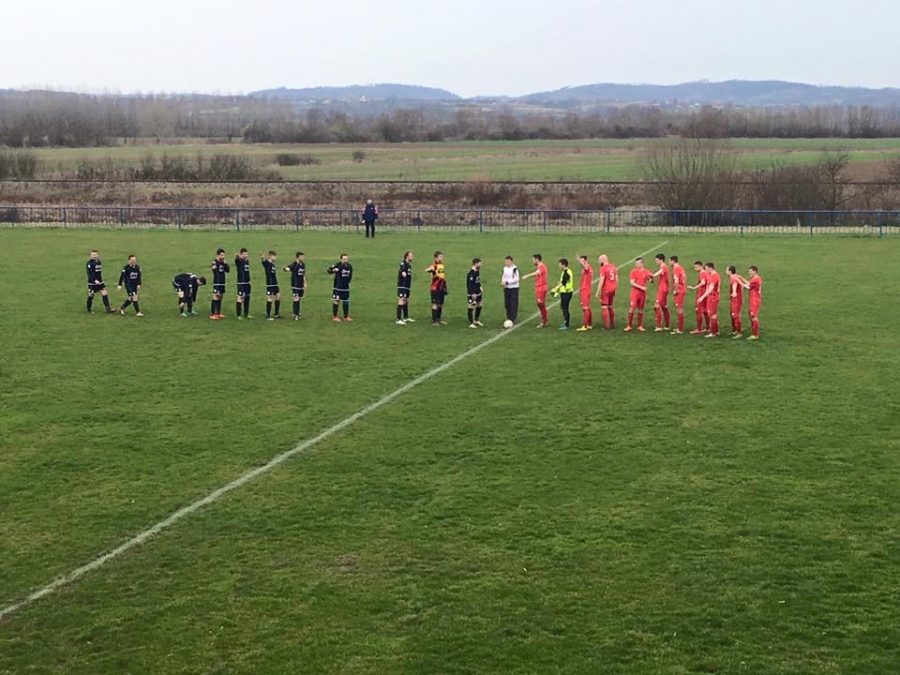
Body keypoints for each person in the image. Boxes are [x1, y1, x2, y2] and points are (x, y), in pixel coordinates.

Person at [624, 257, 652, 332]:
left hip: (642, 294)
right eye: (636, 264)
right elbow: (632, 282)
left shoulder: (646, 272)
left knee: (641, 309)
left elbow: (651, 281)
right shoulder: (633, 272)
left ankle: (639, 325)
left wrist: (651, 278)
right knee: (632, 308)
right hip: (635, 292)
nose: (636, 265)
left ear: (642, 264)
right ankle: (629, 325)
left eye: (638, 264)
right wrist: (641, 287)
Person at [521, 253, 549, 328]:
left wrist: (527, 276)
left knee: (540, 304)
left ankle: (544, 321)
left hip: (541, 288)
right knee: (540, 304)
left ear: (537, 259)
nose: (533, 261)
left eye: (533, 260)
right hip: (539, 288)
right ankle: (545, 320)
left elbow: (536, 273)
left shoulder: (542, 266)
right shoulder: (539, 266)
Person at [698, 262, 721, 338]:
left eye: (706, 269)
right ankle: (716, 331)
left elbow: (711, 288)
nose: (705, 271)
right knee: (713, 314)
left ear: (710, 268)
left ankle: (713, 332)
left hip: (712, 297)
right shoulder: (715, 275)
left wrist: (702, 297)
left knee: (712, 315)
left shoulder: (714, 276)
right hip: (713, 297)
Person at [328, 254, 354, 322]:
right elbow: (329, 270)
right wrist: (334, 270)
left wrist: (349, 282)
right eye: (344, 259)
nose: (345, 260)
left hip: (346, 287)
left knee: (346, 301)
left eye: (346, 259)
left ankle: (346, 316)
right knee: (336, 300)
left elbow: (350, 276)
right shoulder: (337, 265)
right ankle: (335, 316)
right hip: (338, 287)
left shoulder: (349, 266)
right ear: (341, 259)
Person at [594, 254, 617, 330]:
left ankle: (606, 326)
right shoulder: (613, 267)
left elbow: (601, 280)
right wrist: (615, 287)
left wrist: (597, 293)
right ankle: (612, 324)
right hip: (613, 289)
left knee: (604, 307)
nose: (599, 262)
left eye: (599, 260)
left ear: (603, 260)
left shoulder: (603, 268)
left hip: (606, 289)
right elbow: (616, 279)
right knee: (610, 306)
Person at [551, 258, 575, 330]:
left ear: (563, 265)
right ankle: (566, 322)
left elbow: (563, 283)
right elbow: (564, 281)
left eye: (560, 264)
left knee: (564, 308)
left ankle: (566, 324)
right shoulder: (566, 271)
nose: (559, 265)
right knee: (563, 307)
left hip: (566, 293)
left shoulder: (566, 272)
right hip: (565, 292)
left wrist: (555, 289)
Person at [740, 266, 763, 340]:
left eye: (750, 271)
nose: (749, 272)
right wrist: (742, 278)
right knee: (751, 315)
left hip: (755, 300)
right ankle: (753, 330)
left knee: (753, 316)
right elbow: (749, 283)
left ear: (755, 271)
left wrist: (739, 281)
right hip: (753, 299)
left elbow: (748, 286)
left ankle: (755, 334)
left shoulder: (756, 279)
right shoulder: (755, 278)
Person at [283, 251, 307, 321]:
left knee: (299, 299)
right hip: (295, 284)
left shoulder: (303, 264)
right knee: (296, 298)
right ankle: (295, 315)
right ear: (297, 257)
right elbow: (288, 268)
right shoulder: (294, 264)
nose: (303, 258)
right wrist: (285, 269)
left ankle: (297, 314)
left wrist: (305, 283)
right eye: (301, 257)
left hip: (300, 284)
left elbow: (303, 274)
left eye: (303, 257)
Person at [426, 251, 447, 326]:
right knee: (435, 304)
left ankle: (438, 319)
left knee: (440, 304)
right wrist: (429, 269)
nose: (442, 258)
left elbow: (442, 275)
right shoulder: (434, 264)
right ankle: (434, 321)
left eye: (442, 256)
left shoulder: (441, 264)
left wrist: (445, 286)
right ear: (436, 257)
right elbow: (430, 269)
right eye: (440, 257)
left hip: (441, 287)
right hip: (435, 288)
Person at [688, 260, 709, 335]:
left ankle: (698, 329)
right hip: (705, 293)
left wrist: (694, 287)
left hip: (701, 293)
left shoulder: (702, 273)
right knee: (705, 311)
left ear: (700, 266)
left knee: (698, 311)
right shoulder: (705, 272)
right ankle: (708, 328)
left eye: (696, 267)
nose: (695, 269)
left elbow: (703, 282)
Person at [650, 253, 671, 332]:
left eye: (656, 260)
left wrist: (652, 275)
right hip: (663, 288)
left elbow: (659, 273)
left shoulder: (664, 267)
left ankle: (658, 326)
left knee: (657, 306)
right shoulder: (662, 267)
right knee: (664, 307)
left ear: (661, 260)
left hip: (662, 289)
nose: (656, 262)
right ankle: (667, 326)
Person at [261, 250, 282, 321]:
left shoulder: (272, 264)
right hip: (270, 284)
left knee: (278, 297)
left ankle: (276, 314)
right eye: (274, 256)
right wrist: (263, 257)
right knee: (270, 298)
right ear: (270, 256)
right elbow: (263, 261)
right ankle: (268, 315)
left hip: (275, 284)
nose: (276, 258)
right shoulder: (267, 263)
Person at [209, 248, 230, 320]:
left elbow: (228, 270)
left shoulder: (223, 262)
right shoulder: (215, 262)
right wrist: (213, 267)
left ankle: (218, 313)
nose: (223, 256)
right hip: (217, 283)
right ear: (218, 255)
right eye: (222, 255)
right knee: (215, 297)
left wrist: (225, 263)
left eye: (224, 255)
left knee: (220, 297)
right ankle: (212, 314)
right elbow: (213, 267)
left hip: (222, 283)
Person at [669, 255, 686, 334]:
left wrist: (676, 290)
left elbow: (676, 281)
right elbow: (685, 277)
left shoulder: (676, 269)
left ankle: (680, 329)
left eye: (669, 261)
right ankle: (679, 327)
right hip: (682, 287)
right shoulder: (681, 267)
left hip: (679, 289)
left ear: (673, 261)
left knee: (679, 308)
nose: (669, 262)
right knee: (679, 308)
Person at [396, 250, 414, 325]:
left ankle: (406, 317)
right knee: (401, 300)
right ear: (407, 256)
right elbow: (402, 270)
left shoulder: (409, 265)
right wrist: (403, 273)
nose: (412, 257)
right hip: (402, 286)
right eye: (411, 256)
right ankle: (398, 319)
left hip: (407, 286)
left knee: (406, 301)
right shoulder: (403, 263)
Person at [234, 248, 253, 319]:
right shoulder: (239, 261)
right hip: (241, 282)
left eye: (246, 254)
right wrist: (237, 256)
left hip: (247, 283)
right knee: (240, 297)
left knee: (247, 297)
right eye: (244, 254)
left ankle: (246, 314)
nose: (245, 255)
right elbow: (236, 259)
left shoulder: (247, 261)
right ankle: (238, 315)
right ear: (241, 254)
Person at [501, 255, 520, 325]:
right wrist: (503, 281)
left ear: (511, 262)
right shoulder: (504, 268)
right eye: (506, 262)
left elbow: (516, 279)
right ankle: (508, 317)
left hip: (514, 288)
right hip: (506, 288)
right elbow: (504, 276)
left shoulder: (515, 269)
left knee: (513, 303)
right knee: (507, 304)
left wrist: (507, 282)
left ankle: (512, 318)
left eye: (508, 262)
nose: (507, 263)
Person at [576, 255, 593, 331]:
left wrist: (581, 262)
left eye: (582, 261)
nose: (580, 262)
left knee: (585, 307)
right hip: (584, 289)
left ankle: (585, 326)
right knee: (587, 307)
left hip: (585, 289)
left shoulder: (587, 267)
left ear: (585, 261)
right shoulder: (585, 268)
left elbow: (586, 268)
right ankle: (589, 324)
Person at [727, 265, 744, 338]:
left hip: (736, 300)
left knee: (735, 315)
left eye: (727, 270)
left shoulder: (733, 278)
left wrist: (734, 292)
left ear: (730, 271)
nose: (726, 272)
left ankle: (739, 333)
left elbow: (735, 284)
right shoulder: (735, 277)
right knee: (732, 314)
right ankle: (734, 330)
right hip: (734, 299)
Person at [467, 258, 484, 328]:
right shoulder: (471, 273)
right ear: (475, 264)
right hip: (472, 293)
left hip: (478, 292)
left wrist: (480, 287)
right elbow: (469, 284)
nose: (481, 265)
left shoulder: (477, 271)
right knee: (471, 307)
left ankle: (476, 320)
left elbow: (477, 280)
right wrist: (472, 293)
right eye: (480, 263)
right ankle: (471, 323)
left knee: (479, 305)